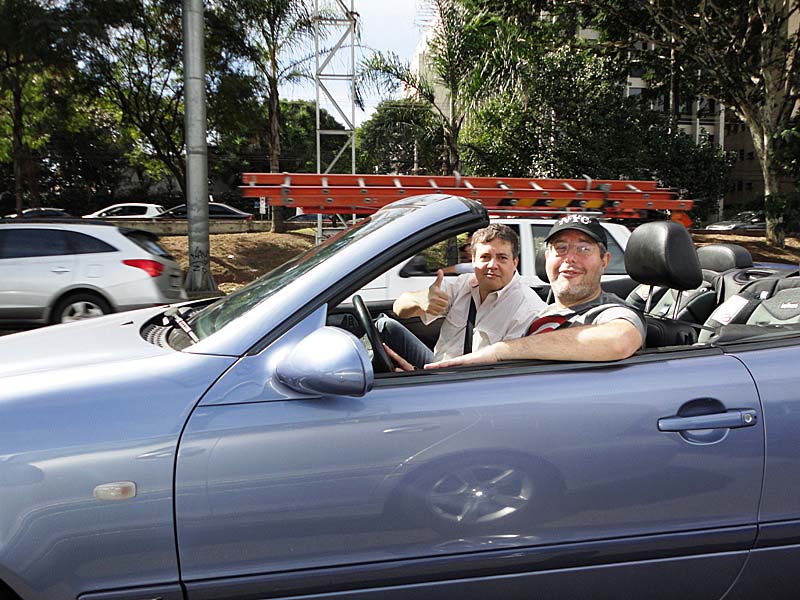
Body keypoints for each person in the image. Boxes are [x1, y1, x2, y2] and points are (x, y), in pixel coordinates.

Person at [426, 215, 646, 369]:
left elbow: (620, 340)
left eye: (584, 248)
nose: (570, 258)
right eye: (560, 248)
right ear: (546, 259)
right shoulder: (543, 312)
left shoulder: (608, 311)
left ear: (604, 261)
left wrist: (500, 351)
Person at [377, 224, 545, 370]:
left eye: (502, 258)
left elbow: (504, 374)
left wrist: (417, 376)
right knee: (384, 325)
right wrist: (420, 300)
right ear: (473, 261)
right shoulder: (462, 285)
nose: (492, 265)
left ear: (514, 262)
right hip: (437, 370)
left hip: (469, 387)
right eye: (485, 257)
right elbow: (399, 308)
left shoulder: (528, 309)